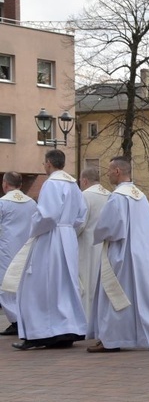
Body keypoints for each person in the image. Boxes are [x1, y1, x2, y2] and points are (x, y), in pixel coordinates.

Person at [87, 156, 149, 352]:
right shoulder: (139, 195)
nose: (107, 174)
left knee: (115, 295)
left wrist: (97, 233)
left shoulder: (118, 197)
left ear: (117, 171)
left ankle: (113, 339)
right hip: (143, 254)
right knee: (147, 296)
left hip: (122, 254)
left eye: (109, 170)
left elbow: (109, 227)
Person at [3, 149, 88, 350]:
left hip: (50, 238)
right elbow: (81, 216)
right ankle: (66, 331)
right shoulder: (73, 184)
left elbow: (47, 216)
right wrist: (68, 230)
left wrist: (33, 229)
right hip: (67, 238)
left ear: (49, 163)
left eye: (44, 163)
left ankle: (40, 334)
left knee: (39, 285)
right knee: (65, 286)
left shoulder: (51, 183)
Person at [0, 172, 37, 337]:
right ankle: (24, 318)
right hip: (26, 249)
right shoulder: (31, 203)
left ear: (6, 184)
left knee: (6, 285)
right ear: (20, 185)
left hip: (6, 249)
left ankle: (16, 321)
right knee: (23, 285)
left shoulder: (3, 203)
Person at [77, 166, 111, 322]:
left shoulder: (85, 196)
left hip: (87, 246)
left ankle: (86, 320)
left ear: (84, 181)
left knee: (87, 284)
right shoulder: (110, 195)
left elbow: (80, 223)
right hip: (106, 246)